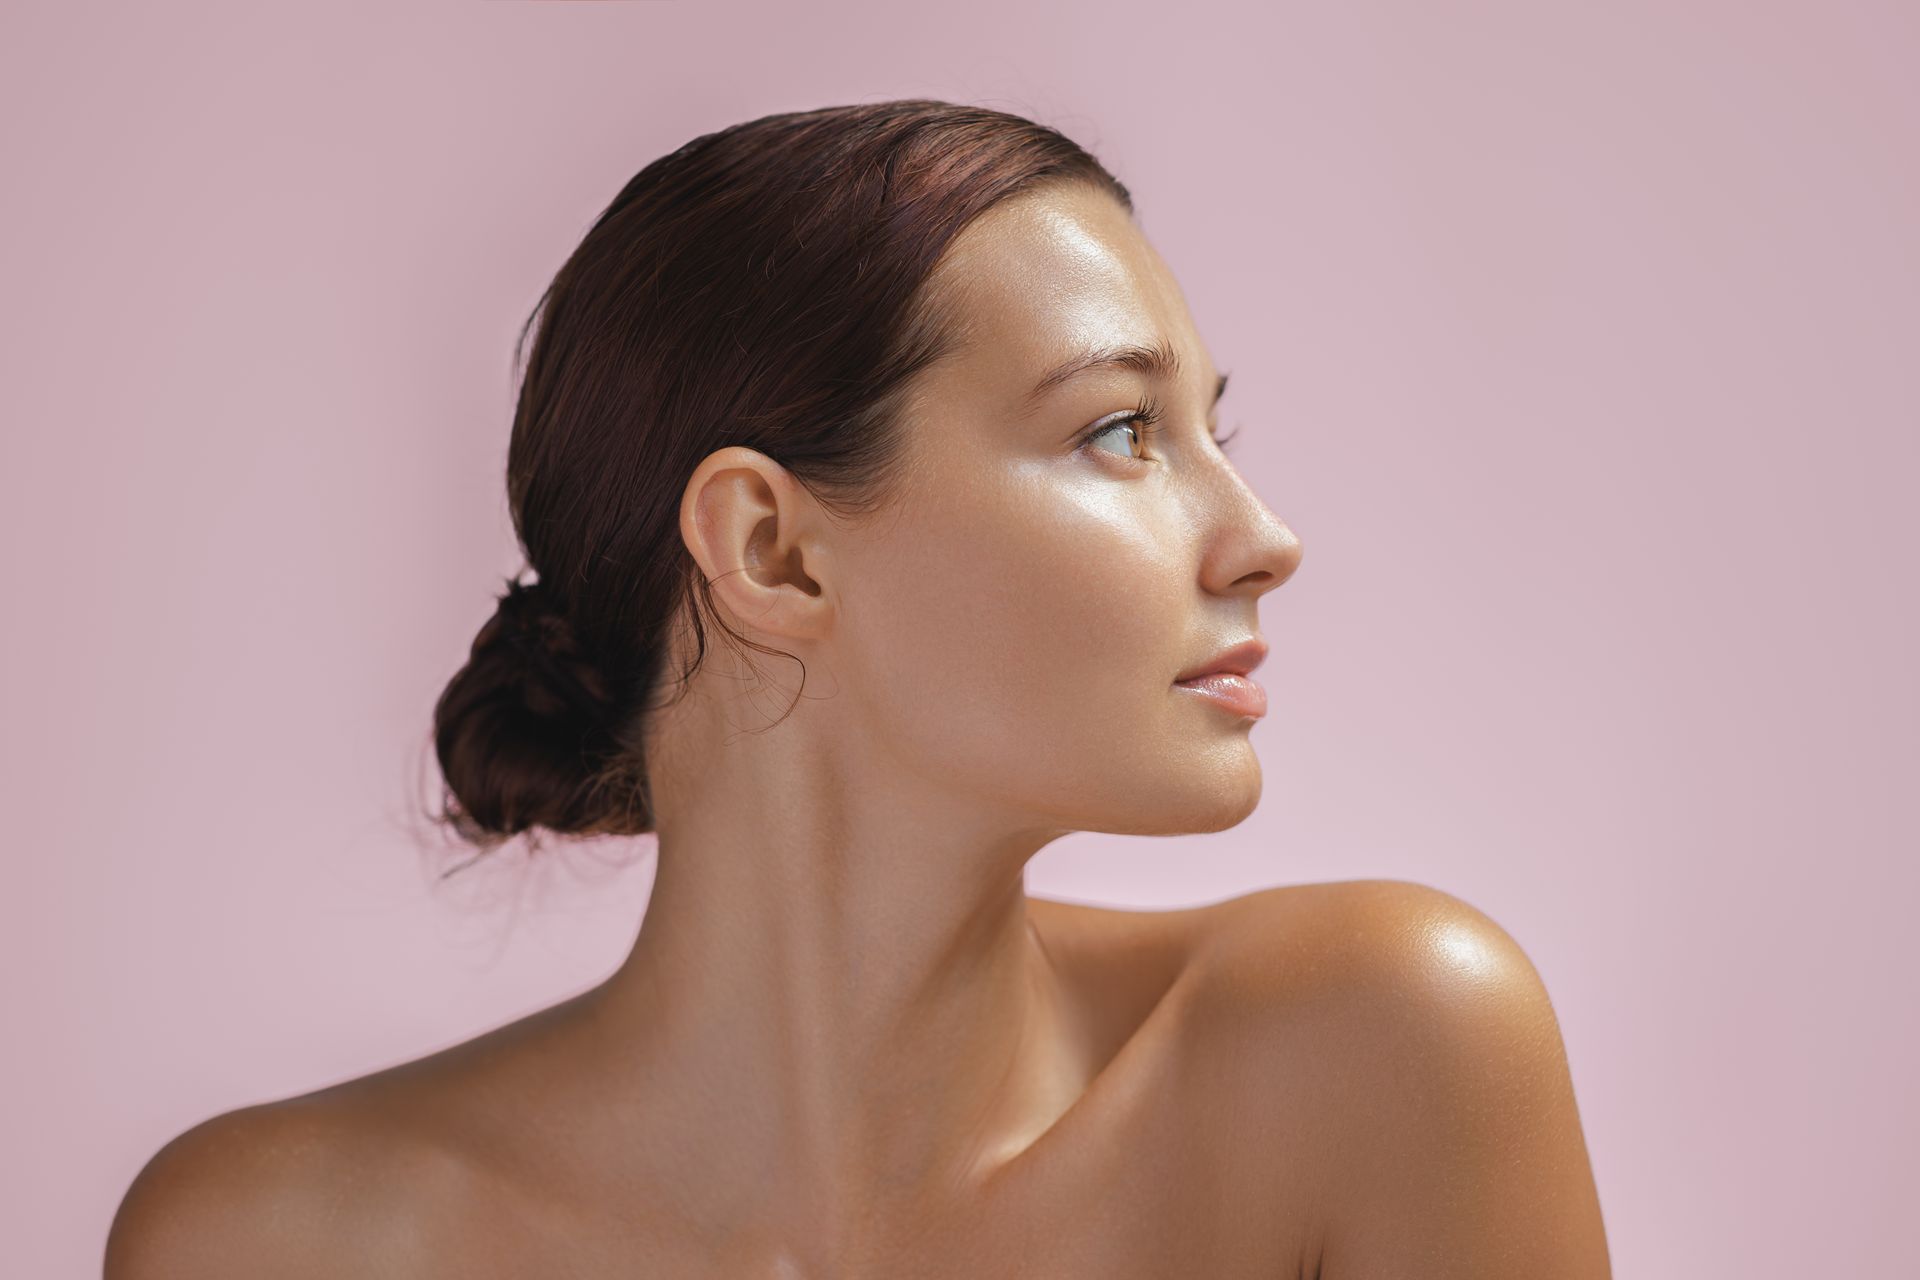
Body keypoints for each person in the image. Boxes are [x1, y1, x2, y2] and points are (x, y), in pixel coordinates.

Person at [106, 99, 1610, 1278]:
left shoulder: (1382, 1055)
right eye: (1119, 434)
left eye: (1210, 429)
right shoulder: (272, 1247)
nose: (1264, 540)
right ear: (772, 550)